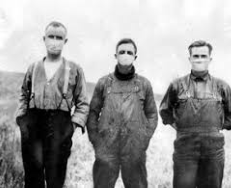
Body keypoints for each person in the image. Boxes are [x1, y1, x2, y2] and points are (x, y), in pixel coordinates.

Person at [15, 21, 89, 188]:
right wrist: (22, 119)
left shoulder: (74, 69)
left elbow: (83, 103)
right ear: (44, 38)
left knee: (55, 178)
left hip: (60, 125)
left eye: (59, 38)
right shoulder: (33, 67)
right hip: (33, 124)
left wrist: (73, 125)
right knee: (33, 177)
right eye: (51, 37)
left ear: (65, 41)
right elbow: (23, 94)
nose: (54, 41)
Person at [159, 40, 231, 188]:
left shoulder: (222, 86)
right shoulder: (176, 85)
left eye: (203, 55)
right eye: (196, 56)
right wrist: (180, 128)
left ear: (210, 59)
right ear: (190, 59)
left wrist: (216, 128)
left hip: (213, 150)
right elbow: (165, 110)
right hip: (185, 149)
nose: (199, 59)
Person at [86, 38, 158, 188]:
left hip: (134, 150)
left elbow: (152, 115)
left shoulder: (144, 84)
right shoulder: (104, 83)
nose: (125, 55)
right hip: (107, 149)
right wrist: (97, 143)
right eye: (122, 52)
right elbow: (92, 114)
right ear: (116, 56)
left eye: (129, 52)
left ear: (135, 57)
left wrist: (142, 141)